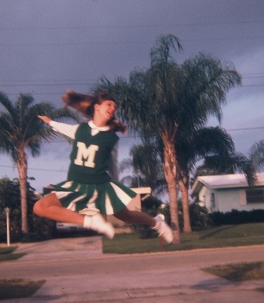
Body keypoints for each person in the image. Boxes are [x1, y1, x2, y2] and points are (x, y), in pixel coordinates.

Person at [33, 90, 174, 243]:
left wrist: (115, 192)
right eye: (109, 104)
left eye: (114, 106)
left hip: (100, 186)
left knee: (127, 217)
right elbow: (63, 127)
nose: (113, 108)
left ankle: (157, 223)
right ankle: (91, 222)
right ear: (97, 107)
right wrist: (49, 122)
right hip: (76, 185)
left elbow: (113, 167)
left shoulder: (111, 138)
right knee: (40, 207)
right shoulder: (80, 130)